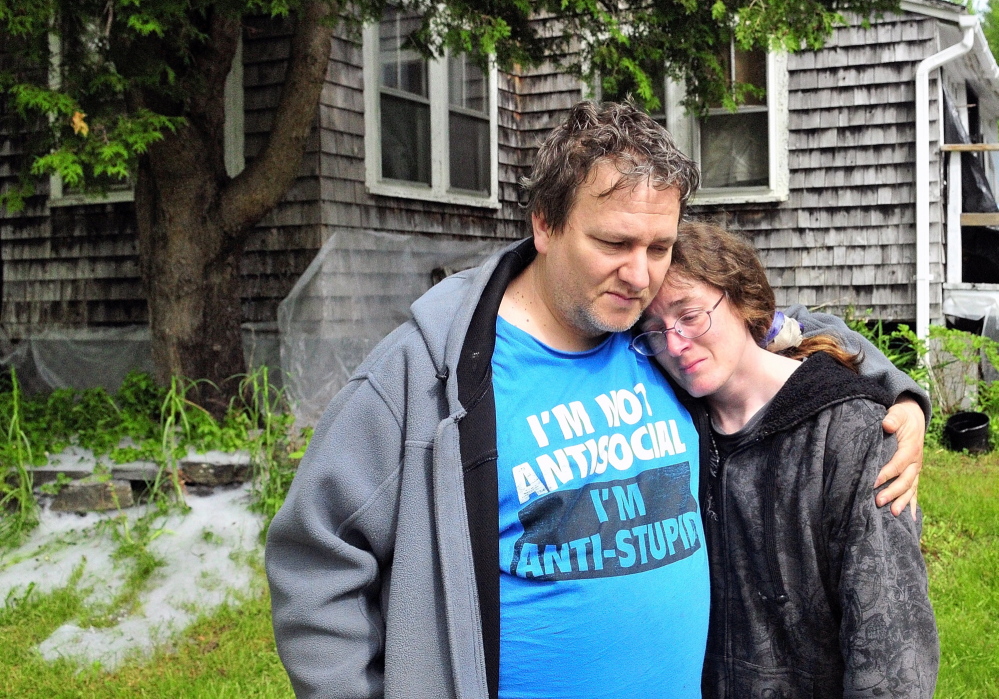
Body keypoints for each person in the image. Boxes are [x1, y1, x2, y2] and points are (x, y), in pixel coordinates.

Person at [265, 101, 928, 699]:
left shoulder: (652, 339)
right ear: (545, 225)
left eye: (658, 247)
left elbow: (768, 324)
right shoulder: (429, 374)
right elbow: (314, 558)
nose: (639, 274)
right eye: (612, 243)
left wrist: (895, 392)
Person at [634, 222, 939, 698]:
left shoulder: (851, 434)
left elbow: (891, 645)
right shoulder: (671, 429)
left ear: (743, 301)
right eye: (654, 331)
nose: (675, 344)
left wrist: (908, 398)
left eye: (690, 316)